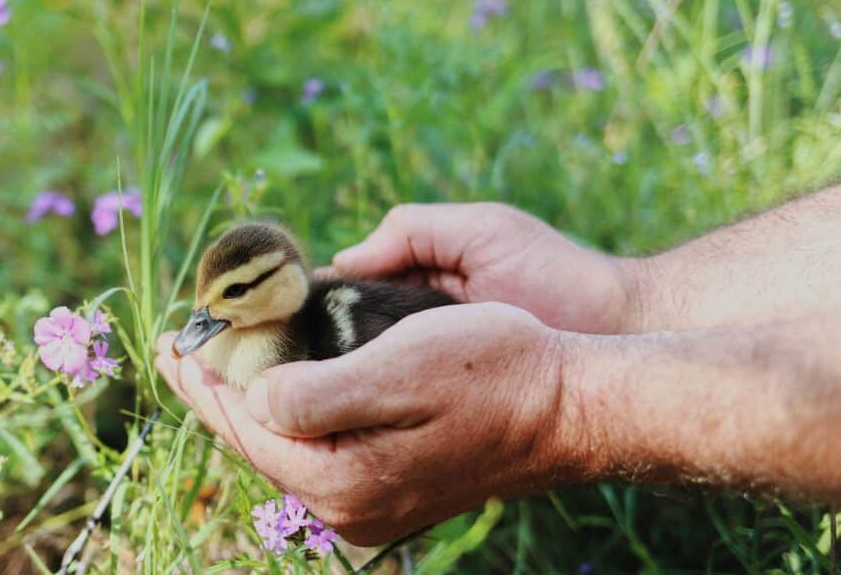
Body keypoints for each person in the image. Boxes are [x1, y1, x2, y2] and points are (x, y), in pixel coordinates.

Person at [154, 185, 841, 547]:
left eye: (234, 296)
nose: (205, 320)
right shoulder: (287, 321)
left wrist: (553, 402)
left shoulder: (311, 330)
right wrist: (626, 301)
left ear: (283, 282)